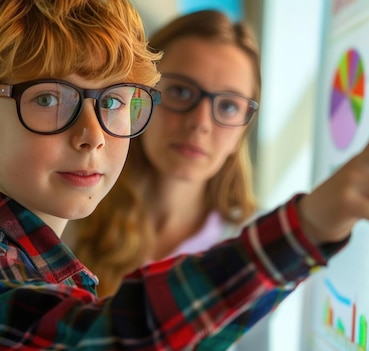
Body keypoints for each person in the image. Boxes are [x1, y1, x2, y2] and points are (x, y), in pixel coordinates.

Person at [0, 0, 369, 350]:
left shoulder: (46, 264)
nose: (92, 133)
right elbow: (115, 335)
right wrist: (304, 228)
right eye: (47, 98)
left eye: (114, 102)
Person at [63, 9, 260, 298]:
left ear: (243, 128)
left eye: (229, 106)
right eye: (180, 92)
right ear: (136, 99)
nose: (200, 123)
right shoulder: (67, 214)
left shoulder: (259, 244)